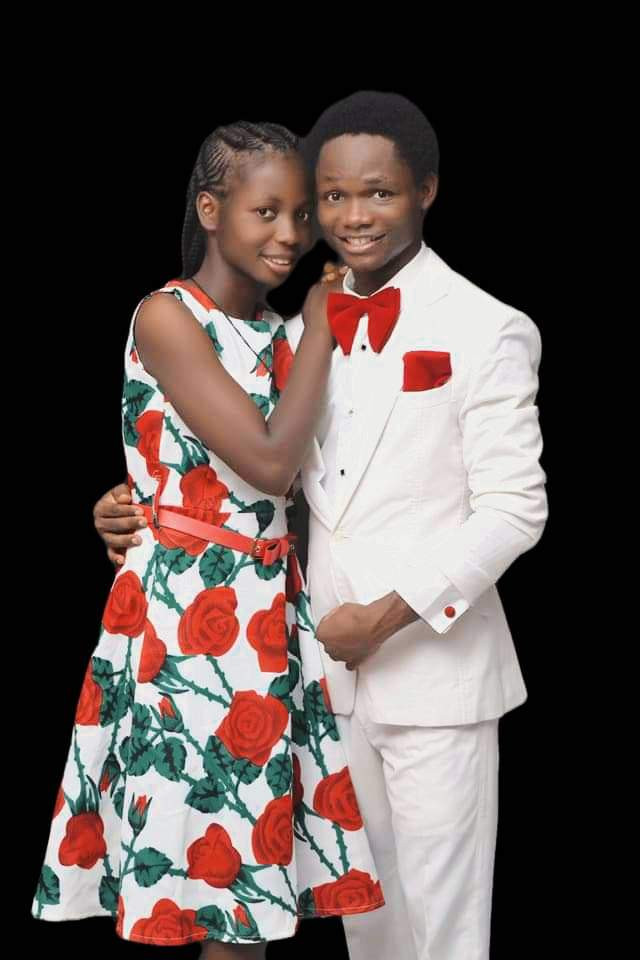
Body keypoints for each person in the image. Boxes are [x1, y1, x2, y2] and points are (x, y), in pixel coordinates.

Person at [93, 90, 548, 960]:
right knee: (362, 922)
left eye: (377, 193)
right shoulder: (297, 327)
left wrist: (390, 614)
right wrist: (131, 504)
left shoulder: (485, 326)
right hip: (309, 670)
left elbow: (516, 507)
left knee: (447, 931)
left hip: (430, 668)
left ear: (426, 192)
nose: (349, 217)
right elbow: (264, 468)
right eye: (331, 197)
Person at [31, 119, 385, 957]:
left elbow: (309, 488)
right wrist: (323, 322)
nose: (291, 234)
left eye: (301, 215)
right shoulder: (166, 316)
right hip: (185, 620)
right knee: (195, 872)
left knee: (245, 889)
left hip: (269, 617)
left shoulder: (282, 336)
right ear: (211, 210)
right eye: (267, 212)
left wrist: (306, 333)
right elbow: (267, 461)